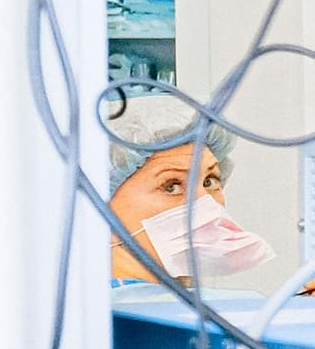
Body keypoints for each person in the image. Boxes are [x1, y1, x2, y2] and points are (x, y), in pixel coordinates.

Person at [104, 93, 273, 286]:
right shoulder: (97, 313)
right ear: (100, 205)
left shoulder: (180, 306)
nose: (205, 202)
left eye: (210, 181)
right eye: (172, 186)